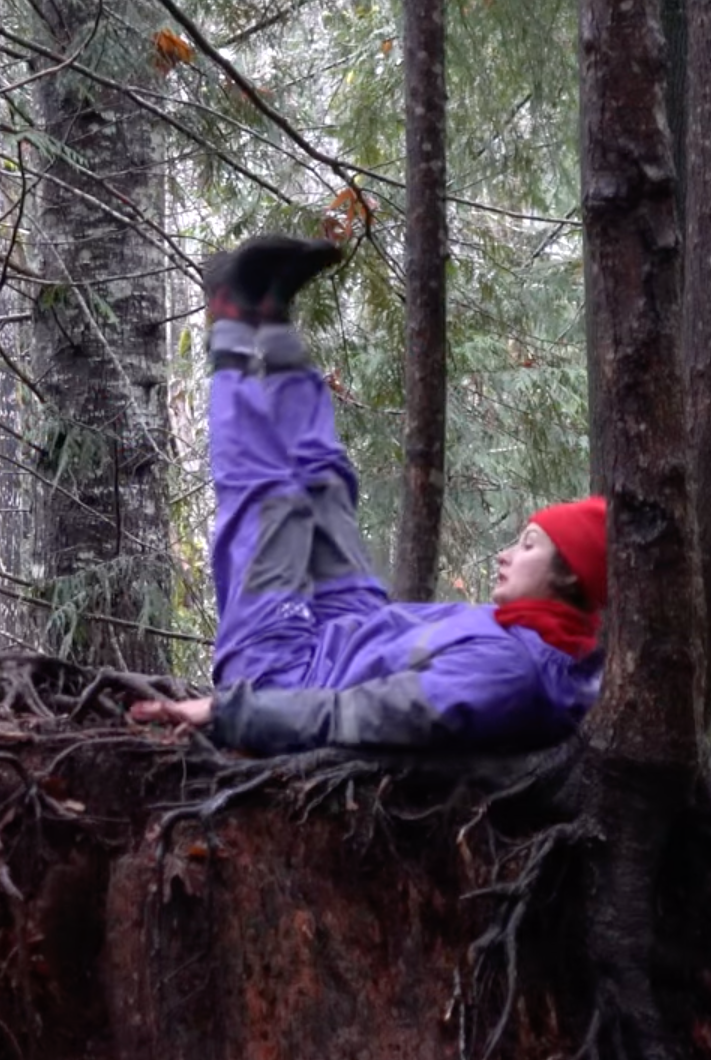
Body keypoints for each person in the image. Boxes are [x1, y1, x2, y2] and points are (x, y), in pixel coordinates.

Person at [128, 235, 606, 753]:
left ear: (570, 576)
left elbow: (359, 714)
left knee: (267, 494)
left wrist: (230, 711)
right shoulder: (545, 641)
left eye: (530, 545)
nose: (506, 554)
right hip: (355, 628)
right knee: (327, 482)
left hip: (283, 670)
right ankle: (272, 319)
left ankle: (231, 322)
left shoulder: (513, 672)